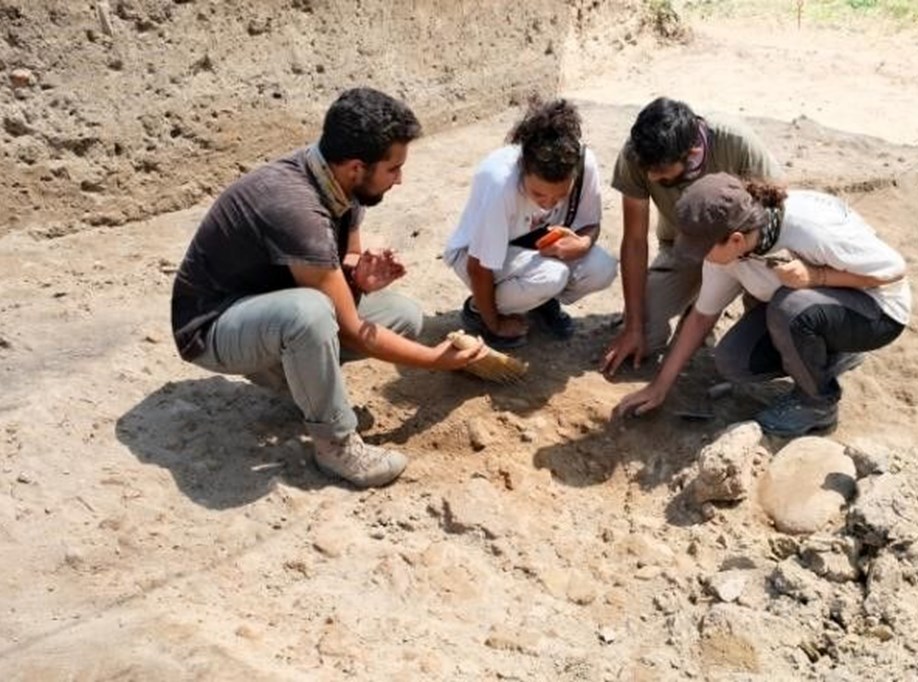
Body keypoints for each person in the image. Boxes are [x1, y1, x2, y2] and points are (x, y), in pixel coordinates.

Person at [170, 87, 486, 489]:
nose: (401, 179)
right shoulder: (295, 207)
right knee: (310, 314)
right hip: (213, 327)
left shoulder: (339, 178)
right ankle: (336, 445)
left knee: (403, 314)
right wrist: (434, 360)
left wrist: (359, 273)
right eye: (393, 169)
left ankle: (297, 379)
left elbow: (349, 256)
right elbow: (352, 328)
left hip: (266, 306)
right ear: (357, 167)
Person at [613, 173, 910, 437]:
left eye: (703, 250)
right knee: (733, 360)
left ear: (736, 239)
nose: (700, 257)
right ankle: (830, 357)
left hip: (876, 311)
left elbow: (893, 270)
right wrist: (661, 385)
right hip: (815, 309)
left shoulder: (808, 229)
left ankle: (817, 404)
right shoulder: (729, 251)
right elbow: (702, 318)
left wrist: (817, 275)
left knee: (789, 307)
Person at [601, 97, 783, 375]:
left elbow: (775, 213)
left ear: (693, 151)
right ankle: (695, 304)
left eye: (660, 170)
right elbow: (635, 240)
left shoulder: (735, 142)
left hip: (742, 251)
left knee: (758, 347)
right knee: (645, 336)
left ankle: (718, 315)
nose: (650, 177)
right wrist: (633, 327)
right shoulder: (637, 155)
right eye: (646, 169)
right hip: (683, 249)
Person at [444, 98, 616, 348]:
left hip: (536, 246)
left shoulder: (584, 163)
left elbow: (592, 223)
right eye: (538, 194)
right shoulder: (500, 183)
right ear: (523, 168)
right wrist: (495, 325)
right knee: (552, 276)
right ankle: (478, 310)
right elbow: (478, 267)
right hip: (476, 256)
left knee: (603, 268)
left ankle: (538, 301)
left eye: (560, 195)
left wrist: (583, 243)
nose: (548, 204)